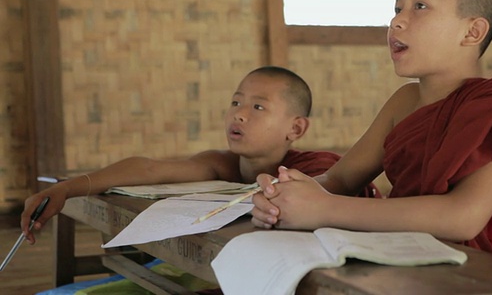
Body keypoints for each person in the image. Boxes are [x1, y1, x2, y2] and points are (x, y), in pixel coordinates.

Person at [251, 0, 492, 279]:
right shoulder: (405, 101)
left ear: (472, 32)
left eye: (420, 7)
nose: (397, 21)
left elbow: (463, 218)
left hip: (485, 280)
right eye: (397, 9)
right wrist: (285, 195)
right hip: (410, 265)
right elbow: (339, 180)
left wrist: (325, 209)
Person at [20, 66, 351, 244]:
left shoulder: (316, 168)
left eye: (258, 107)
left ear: (295, 129)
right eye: (236, 102)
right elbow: (150, 170)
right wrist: (67, 188)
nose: (239, 114)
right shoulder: (222, 164)